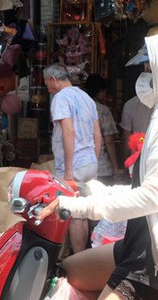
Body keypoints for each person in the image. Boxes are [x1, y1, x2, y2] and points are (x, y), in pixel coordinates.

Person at [38, 32, 158, 300]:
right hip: (137, 240)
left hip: (156, 259)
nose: (145, 76)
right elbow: (144, 185)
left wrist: (83, 206)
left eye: (151, 69)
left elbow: (154, 196)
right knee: (67, 272)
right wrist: (95, 189)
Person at [43, 62, 102, 254]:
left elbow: (69, 131)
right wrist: (94, 159)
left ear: (53, 80)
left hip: (73, 165)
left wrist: (68, 169)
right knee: (82, 214)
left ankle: (77, 260)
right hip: (89, 163)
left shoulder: (60, 98)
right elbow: (97, 134)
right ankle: (81, 257)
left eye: (46, 84)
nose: (48, 89)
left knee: (73, 214)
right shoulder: (86, 98)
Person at [85, 74, 120, 186]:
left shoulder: (77, 108)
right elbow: (109, 141)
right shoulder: (102, 110)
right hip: (101, 168)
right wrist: (115, 168)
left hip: (80, 166)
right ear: (100, 90)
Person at [119, 45, 153, 163]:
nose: (146, 66)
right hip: (157, 157)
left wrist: (124, 161)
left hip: (137, 158)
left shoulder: (130, 105)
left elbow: (126, 140)